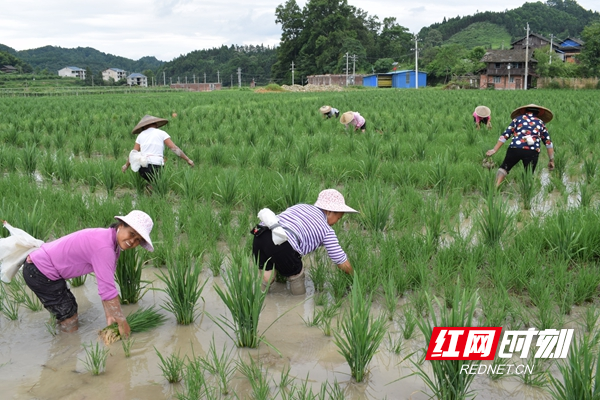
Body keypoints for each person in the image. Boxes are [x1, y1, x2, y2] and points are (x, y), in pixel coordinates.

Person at [22, 210, 155, 335]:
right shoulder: (105, 248)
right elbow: (107, 289)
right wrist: (121, 321)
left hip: (42, 268)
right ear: (121, 226)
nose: (132, 241)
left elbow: (105, 285)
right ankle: (67, 347)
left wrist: (110, 315)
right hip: (40, 271)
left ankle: (60, 331)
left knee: (68, 308)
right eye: (131, 234)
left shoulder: (110, 241)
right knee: (69, 317)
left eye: (138, 240)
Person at [251, 189, 358, 295]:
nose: (336, 222)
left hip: (260, 232)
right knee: (296, 275)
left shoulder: (301, 206)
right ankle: (298, 303)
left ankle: (258, 299)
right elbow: (340, 259)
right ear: (329, 212)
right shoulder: (326, 230)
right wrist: (355, 278)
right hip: (282, 241)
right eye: (338, 218)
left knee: (266, 276)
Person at [486, 104, 555, 187]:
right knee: (528, 174)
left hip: (515, 148)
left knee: (504, 168)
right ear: (539, 113)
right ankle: (526, 194)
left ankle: (495, 187)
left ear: (523, 111)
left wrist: (494, 150)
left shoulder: (517, 120)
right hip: (532, 151)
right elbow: (548, 143)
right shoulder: (541, 123)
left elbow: (505, 136)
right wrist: (551, 160)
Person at [121, 115, 194, 182]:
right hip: (156, 165)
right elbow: (174, 148)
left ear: (144, 127)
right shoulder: (161, 133)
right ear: (155, 124)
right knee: (157, 184)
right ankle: (150, 192)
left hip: (142, 167)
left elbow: (134, 154)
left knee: (153, 183)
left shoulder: (140, 135)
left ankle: (148, 193)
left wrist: (126, 166)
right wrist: (188, 159)